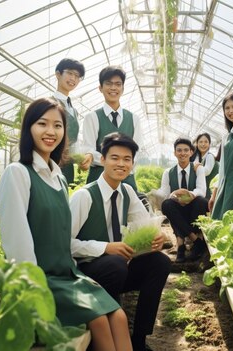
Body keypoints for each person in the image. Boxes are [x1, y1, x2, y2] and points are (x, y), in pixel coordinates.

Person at [0, 98, 131, 351]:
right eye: (42, 124)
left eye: (58, 126)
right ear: (28, 128)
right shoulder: (18, 173)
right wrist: (33, 292)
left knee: (120, 317)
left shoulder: (58, 176)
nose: (51, 132)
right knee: (99, 321)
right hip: (42, 279)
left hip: (68, 274)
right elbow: (17, 243)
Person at [70, 132, 171, 351]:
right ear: (102, 160)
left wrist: (156, 237)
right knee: (115, 264)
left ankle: (139, 340)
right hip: (86, 273)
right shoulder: (84, 196)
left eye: (127, 159)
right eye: (115, 158)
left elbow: (145, 225)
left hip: (117, 271)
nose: (121, 164)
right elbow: (64, 244)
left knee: (159, 262)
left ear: (132, 164)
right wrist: (105, 247)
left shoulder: (127, 192)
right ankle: (103, 336)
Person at [80, 66, 144, 192]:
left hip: (126, 180)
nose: (113, 88)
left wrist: (122, 165)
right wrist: (115, 163)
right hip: (98, 179)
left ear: (122, 88)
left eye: (118, 84)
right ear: (100, 88)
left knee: (127, 210)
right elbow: (88, 149)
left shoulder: (133, 119)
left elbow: (137, 151)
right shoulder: (92, 117)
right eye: (108, 84)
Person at [158, 137, 208, 263]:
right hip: (177, 209)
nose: (183, 153)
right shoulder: (168, 172)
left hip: (193, 209)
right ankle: (195, 241)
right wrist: (174, 194)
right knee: (166, 205)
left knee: (202, 201)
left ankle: (181, 245)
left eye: (186, 150)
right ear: (174, 153)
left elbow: (201, 190)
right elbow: (164, 194)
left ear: (191, 152)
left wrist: (189, 194)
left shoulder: (198, 169)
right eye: (179, 150)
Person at [53, 58, 84, 185]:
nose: (73, 79)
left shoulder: (74, 111)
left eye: (77, 76)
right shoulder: (50, 103)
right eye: (70, 73)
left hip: (68, 165)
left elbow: (75, 141)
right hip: (52, 162)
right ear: (58, 74)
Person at [191, 133, 218, 199]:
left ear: (209, 144)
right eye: (201, 142)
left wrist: (196, 167)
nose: (203, 144)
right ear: (197, 144)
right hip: (199, 191)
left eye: (206, 142)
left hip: (208, 193)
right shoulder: (197, 157)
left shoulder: (210, 156)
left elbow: (206, 171)